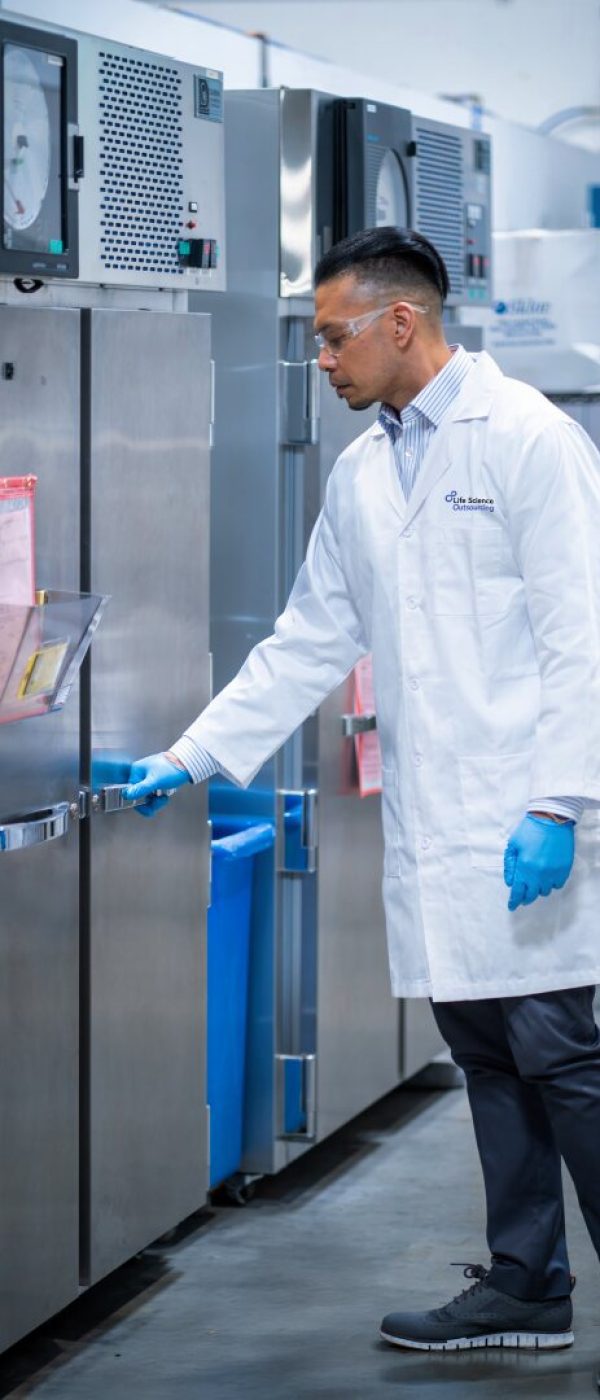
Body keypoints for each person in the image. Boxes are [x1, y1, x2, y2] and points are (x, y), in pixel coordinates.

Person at [125, 228, 600, 1371]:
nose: (322, 361)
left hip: (529, 818)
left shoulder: (531, 438)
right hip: (438, 830)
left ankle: (538, 1278)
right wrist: (195, 754)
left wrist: (562, 802)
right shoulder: (362, 470)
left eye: (333, 338)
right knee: (489, 1054)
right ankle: (527, 1284)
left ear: (402, 323)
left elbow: (587, 637)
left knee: (568, 1060)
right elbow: (310, 638)